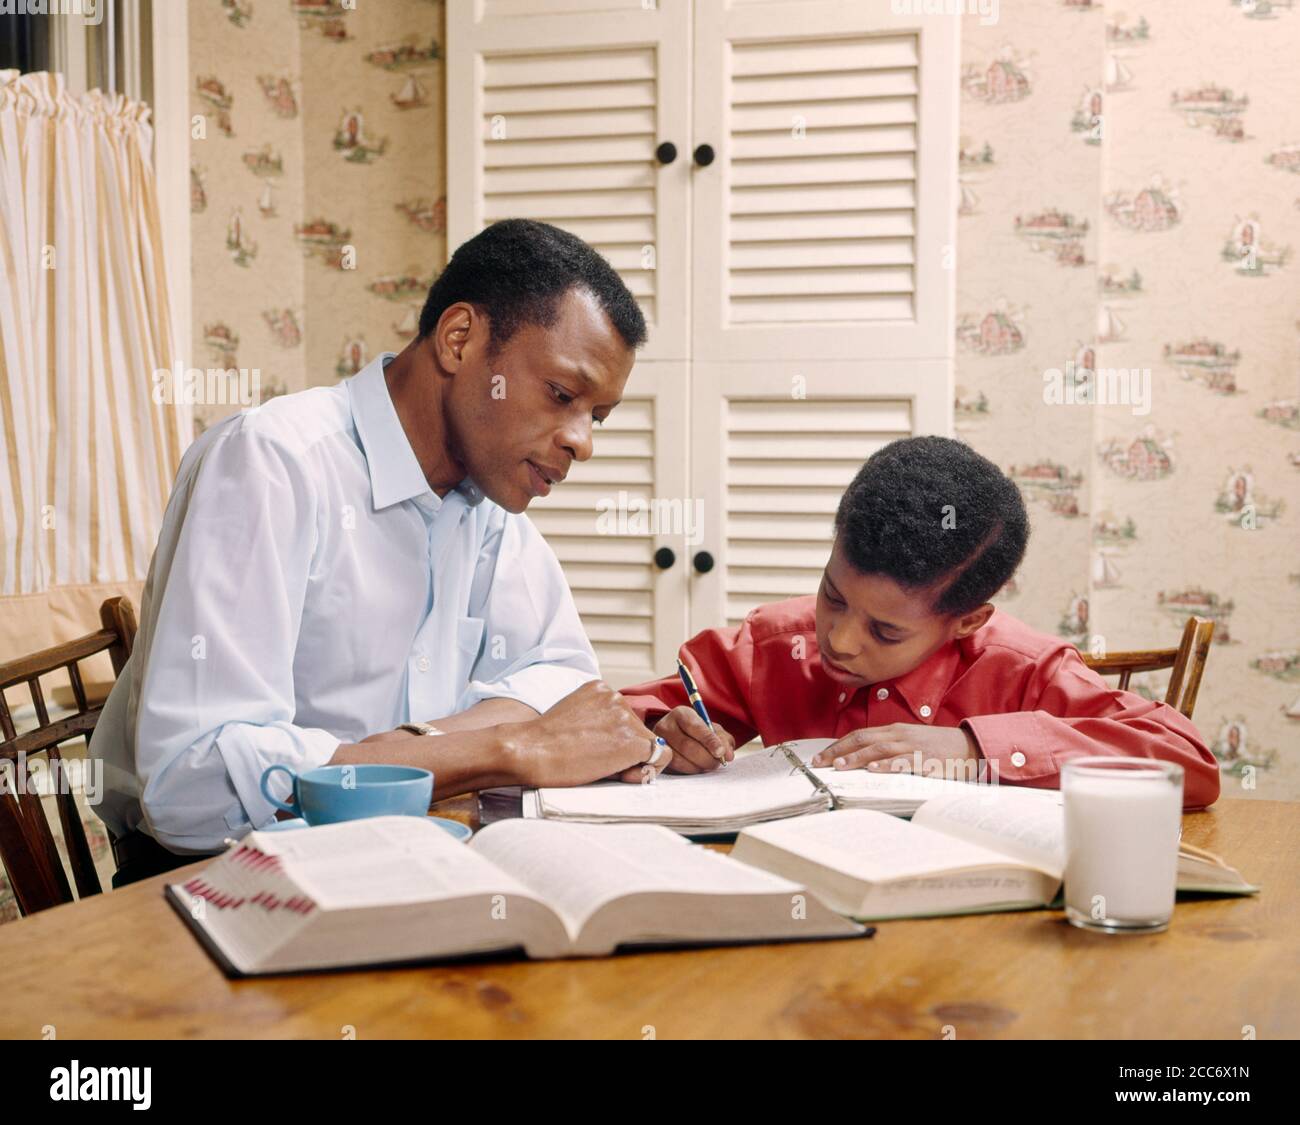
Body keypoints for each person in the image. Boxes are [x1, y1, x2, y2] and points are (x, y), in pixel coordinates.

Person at [93, 219, 670, 884]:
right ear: (460, 340)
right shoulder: (271, 464)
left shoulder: (490, 504)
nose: (583, 442)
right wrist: (507, 747)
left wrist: (428, 750)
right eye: (563, 395)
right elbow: (190, 787)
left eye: (595, 418)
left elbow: (564, 686)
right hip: (218, 880)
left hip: (407, 858)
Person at [620, 436, 1220, 810]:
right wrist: (658, 738)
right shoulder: (774, 645)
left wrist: (971, 747)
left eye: (886, 631)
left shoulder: (1024, 670)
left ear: (967, 621)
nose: (840, 640)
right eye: (832, 595)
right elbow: (617, 719)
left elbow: (1188, 762)